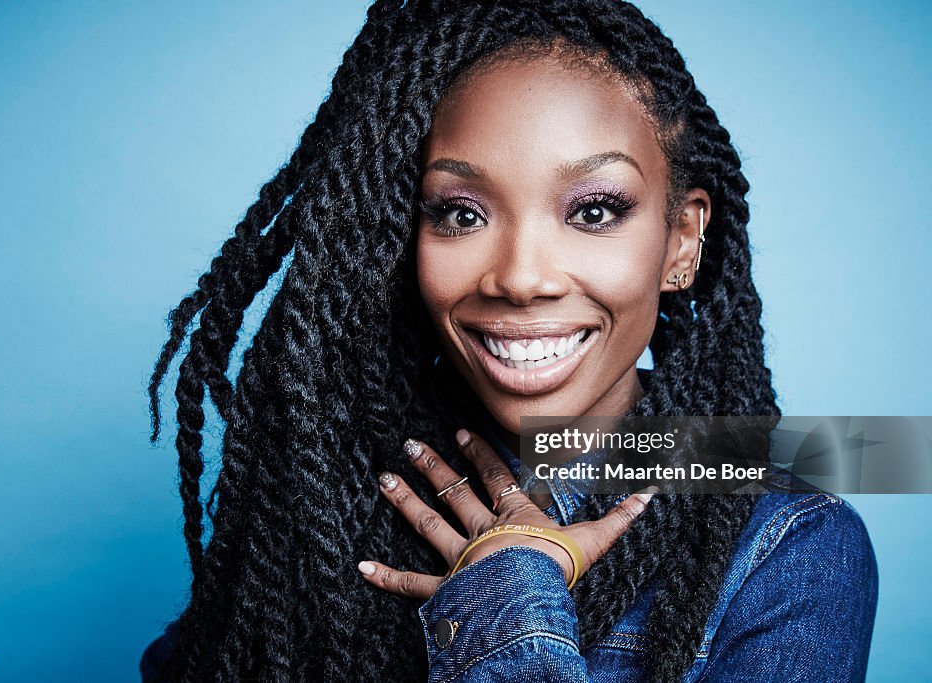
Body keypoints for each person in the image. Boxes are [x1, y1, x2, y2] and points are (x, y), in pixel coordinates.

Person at [140, 1, 878, 681]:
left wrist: (506, 595)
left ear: (682, 239)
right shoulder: (315, 500)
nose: (521, 279)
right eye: (460, 214)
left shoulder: (791, 551)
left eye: (593, 211)